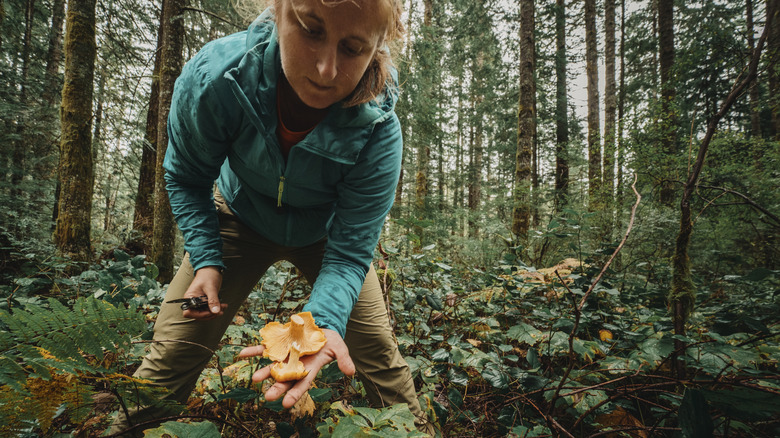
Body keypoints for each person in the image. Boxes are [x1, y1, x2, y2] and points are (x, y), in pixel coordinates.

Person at [111, 0, 430, 435]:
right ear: (277, 12)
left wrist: (321, 325)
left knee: (377, 354)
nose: (325, 69)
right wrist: (206, 260)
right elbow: (186, 177)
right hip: (236, 219)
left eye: (353, 48)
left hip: (326, 240)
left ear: (377, 48)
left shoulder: (377, 128)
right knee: (171, 354)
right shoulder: (216, 79)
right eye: (311, 30)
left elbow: (350, 252)